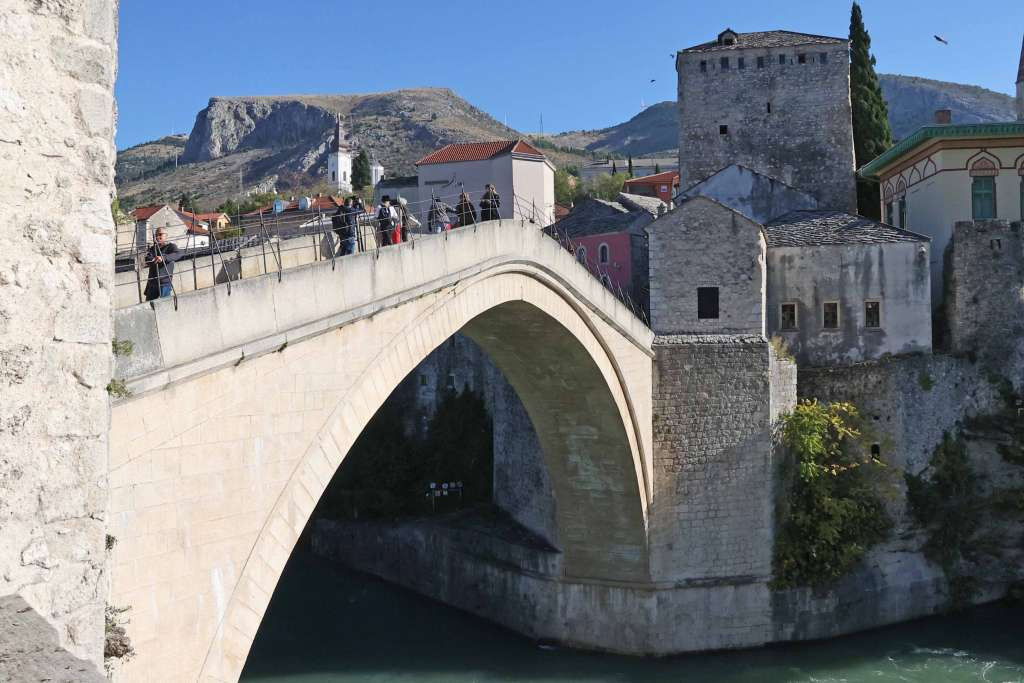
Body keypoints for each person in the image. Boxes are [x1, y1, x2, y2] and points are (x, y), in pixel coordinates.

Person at [143, 228, 182, 301]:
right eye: (156, 235)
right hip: (152, 282)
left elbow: (178, 254)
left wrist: (163, 258)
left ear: (166, 236)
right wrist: (154, 259)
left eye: (160, 234)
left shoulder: (171, 247)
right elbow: (147, 259)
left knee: (165, 304)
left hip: (164, 282)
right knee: (149, 305)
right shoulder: (152, 248)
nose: (158, 237)